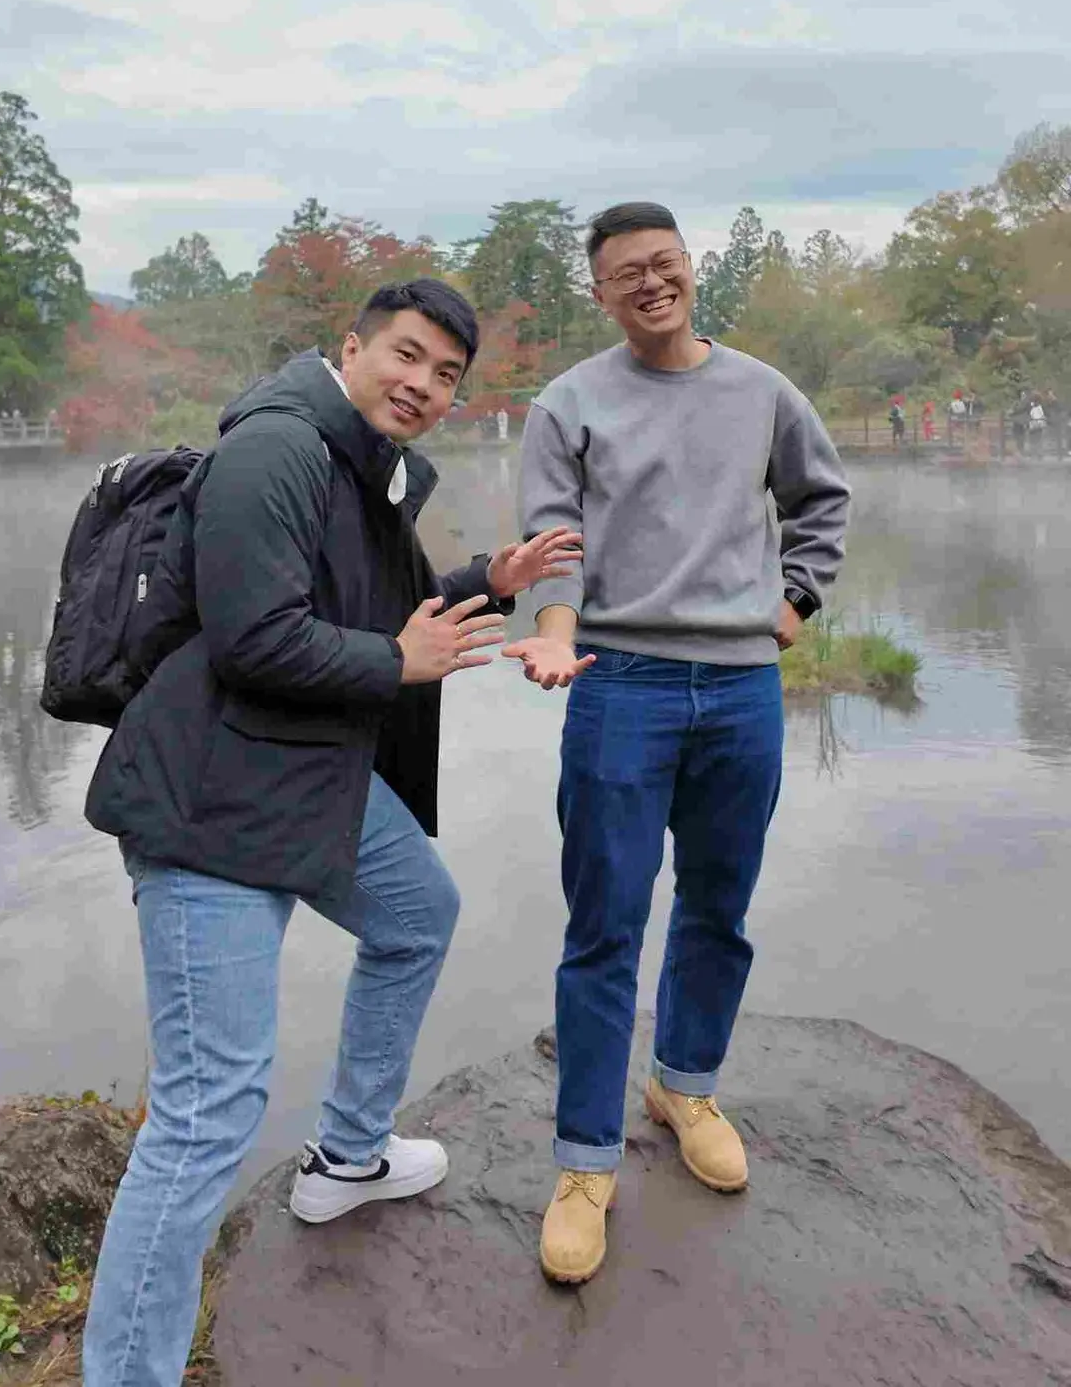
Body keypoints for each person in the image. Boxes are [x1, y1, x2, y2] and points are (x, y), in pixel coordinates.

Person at [80, 279, 581, 1385]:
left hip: (299, 773)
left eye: (445, 374)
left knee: (417, 913)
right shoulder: (276, 448)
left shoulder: (360, 465)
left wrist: (483, 584)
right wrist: (397, 662)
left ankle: (350, 1156)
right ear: (350, 348)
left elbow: (358, 611)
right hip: (209, 802)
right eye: (406, 355)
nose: (422, 385)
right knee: (208, 1114)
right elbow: (255, 636)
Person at [508, 203, 850, 1284]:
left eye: (665, 264)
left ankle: (685, 1084)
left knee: (718, 904)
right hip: (622, 685)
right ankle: (584, 1161)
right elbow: (553, 542)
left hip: (743, 688)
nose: (651, 283)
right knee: (604, 924)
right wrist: (556, 633)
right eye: (628, 274)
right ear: (601, 293)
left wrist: (792, 604)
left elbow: (822, 500)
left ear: (690, 269)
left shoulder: (762, 392)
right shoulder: (570, 402)